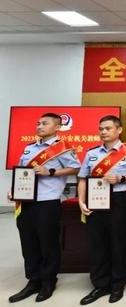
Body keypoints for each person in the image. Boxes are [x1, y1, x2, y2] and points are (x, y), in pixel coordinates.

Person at [8, 113, 81, 303]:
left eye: (45, 123)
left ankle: (48, 281)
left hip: (47, 201)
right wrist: (13, 190)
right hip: (25, 201)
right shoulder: (29, 147)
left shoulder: (63, 148)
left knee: (48, 243)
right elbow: (22, 172)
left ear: (57, 127)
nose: (39, 126)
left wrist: (51, 171)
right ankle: (33, 280)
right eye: (38, 123)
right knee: (28, 242)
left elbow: (76, 168)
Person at [77, 115, 126, 304]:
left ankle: (118, 284)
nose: (103, 132)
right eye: (101, 129)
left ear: (119, 130)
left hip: (117, 200)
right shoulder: (91, 153)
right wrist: (81, 201)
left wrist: (122, 178)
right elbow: (82, 178)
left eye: (108, 128)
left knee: (118, 242)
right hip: (94, 200)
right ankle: (100, 284)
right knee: (97, 243)